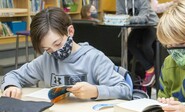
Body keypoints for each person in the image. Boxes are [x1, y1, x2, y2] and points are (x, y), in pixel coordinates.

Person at [1, 7, 132, 101]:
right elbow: (14, 75)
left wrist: (95, 91)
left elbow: (124, 90)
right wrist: (11, 86)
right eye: (47, 49)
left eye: (57, 44)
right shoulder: (47, 60)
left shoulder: (94, 59)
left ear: (70, 31)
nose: (55, 52)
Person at [116, 0, 159, 87]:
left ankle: (155, 70)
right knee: (131, 44)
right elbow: (119, 15)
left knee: (146, 46)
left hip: (152, 24)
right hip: (137, 27)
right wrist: (124, 18)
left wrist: (126, 18)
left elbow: (144, 18)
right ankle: (149, 69)